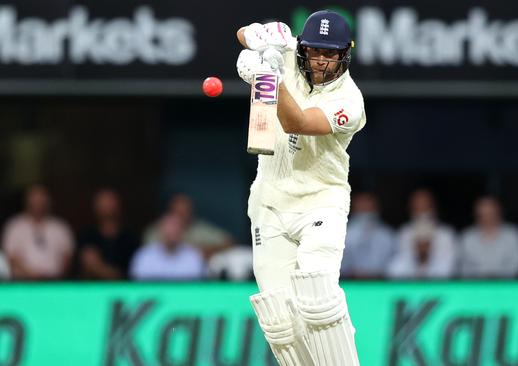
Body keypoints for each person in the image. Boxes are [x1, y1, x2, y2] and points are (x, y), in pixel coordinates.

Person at [236, 10, 364, 365]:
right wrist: (260, 38)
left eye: (331, 54)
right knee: (280, 321)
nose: (321, 61)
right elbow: (242, 33)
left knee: (316, 297)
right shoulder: (290, 52)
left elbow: (297, 121)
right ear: (303, 47)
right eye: (315, 52)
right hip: (270, 204)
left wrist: (268, 79)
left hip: (320, 202)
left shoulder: (349, 101)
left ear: (344, 55)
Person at [1, 185, 74, 280]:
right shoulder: (14, 226)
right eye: (34, 199)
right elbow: (10, 258)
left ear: (48, 201)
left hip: (54, 283)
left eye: (41, 199)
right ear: (27, 201)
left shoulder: (60, 227)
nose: (37, 203)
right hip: (22, 283)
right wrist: (31, 276)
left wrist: (54, 278)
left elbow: (67, 258)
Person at [143, 194, 232, 260]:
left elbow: (229, 242)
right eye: (178, 212)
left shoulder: (199, 229)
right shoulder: (155, 230)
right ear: (170, 212)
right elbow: (147, 254)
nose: (182, 216)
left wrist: (203, 252)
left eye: (185, 212)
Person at [78, 189, 138, 280]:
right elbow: (86, 269)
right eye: (102, 202)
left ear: (118, 205)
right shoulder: (87, 236)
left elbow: (129, 273)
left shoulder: (129, 238)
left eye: (110, 201)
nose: (106, 206)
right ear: (95, 207)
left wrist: (98, 267)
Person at [458, 196, 518, 279]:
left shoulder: (512, 235)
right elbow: (464, 268)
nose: (487, 218)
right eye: (482, 215)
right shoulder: (467, 237)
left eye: (491, 214)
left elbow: (516, 267)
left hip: (506, 287)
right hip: (476, 287)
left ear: (499, 213)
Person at [130, 214, 204, 280]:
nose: (172, 231)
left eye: (176, 227)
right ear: (160, 229)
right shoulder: (144, 256)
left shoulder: (193, 256)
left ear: (183, 231)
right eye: (169, 227)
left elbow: (196, 286)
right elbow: (139, 285)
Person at [341, 191, 395, 279]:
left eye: (367, 202)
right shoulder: (342, 232)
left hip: (381, 282)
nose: (364, 206)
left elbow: (393, 265)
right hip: (349, 282)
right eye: (361, 202)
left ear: (375, 206)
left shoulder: (387, 234)